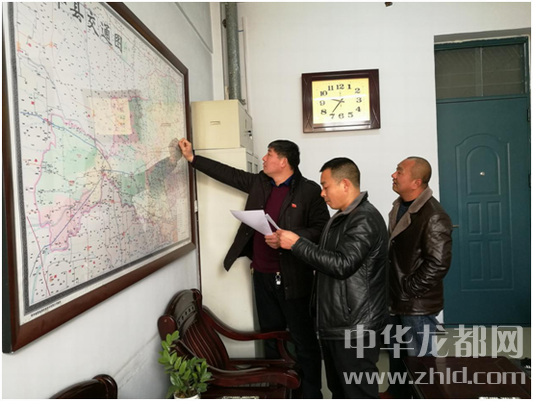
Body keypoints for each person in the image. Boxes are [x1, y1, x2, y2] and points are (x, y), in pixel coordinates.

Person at [176, 138, 329, 399]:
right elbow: (228, 174)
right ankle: (277, 393)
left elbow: (321, 229)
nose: (264, 159)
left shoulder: (309, 191)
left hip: (294, 278)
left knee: (303, 341)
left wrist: (290, 237)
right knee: (270, 338)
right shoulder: (260, 183)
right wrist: (193, 159)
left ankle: (310, 394)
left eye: (269, 154)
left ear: (283, 161)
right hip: (262, 276)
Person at [277, 157, 388, 399]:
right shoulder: (341, 217)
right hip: (338, 321)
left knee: (357, 393)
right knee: (340, 391)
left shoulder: (364, 218)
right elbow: (327, 259)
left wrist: (297, 244)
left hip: (355, 325)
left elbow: (342, 264)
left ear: (345, 184)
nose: (322, 193)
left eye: (325, 186)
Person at [387, 156, 453, 398]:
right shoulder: (400, 206)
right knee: (398, 358)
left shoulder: (433, 215)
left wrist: (408, 289)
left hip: (415, 304)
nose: (393, 175)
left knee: (421, 364)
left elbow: (438, 263)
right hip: (396, 299)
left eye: (399, 171)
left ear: (416, 182)